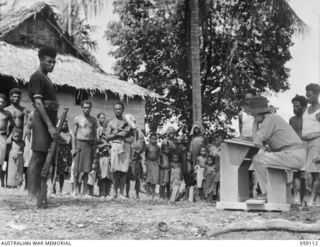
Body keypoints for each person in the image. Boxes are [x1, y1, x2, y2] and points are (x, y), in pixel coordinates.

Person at [248, 96, 305, 201]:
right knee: (267, 160)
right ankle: (285, 198)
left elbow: (256, 143)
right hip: (293, 154)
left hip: (293, 154)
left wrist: (255, 123)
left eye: (253, 115)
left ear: (257, 113)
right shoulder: (272, 119)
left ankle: (268, 193)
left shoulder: (270, 119)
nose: (253, 117)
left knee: (257, 159)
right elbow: (260, 143)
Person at [27, 47, 60, 206]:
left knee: (43, 158)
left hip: (48, 121)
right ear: (41, 60)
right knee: (37, 157)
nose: (52, 64)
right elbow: (38, 103)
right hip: (41, 121)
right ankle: (31, 196)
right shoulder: (37, 77)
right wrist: (49, 126)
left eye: (54, 62)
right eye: (49, 61)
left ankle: (38, 194)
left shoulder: (46, 78)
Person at [105, 102, 134, 199]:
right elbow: (107, 137)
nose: (118, 110)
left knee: (123, 171)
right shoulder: (111, 122)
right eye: (116, 109)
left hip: (125, 146)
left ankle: (121, 193)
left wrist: (123, 137)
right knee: (114, 171)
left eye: (120, 109)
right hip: (115, 145)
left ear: (123, 110)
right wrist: (116, 135)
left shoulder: (128, 122)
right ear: (114, 110)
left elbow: (131, 139)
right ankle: (114, 192)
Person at [73, 100, 97, 197]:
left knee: (86, 170)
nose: (86, 109)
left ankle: (84, 191)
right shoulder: (77, 119)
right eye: (85, 107)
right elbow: (73, 135)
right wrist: (73, 148)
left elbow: (95, 136)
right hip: (79, 144)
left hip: (89, 146)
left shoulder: (93, 120)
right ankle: (75, 191)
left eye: (88, 107)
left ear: (90, 108)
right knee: (76, 170)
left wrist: (95, 150)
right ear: (82, 108)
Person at [301, 83, 320, 206]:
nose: (307, 98)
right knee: (304, 171)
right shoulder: (305, 110)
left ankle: (313, 200)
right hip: (304, 143)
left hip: (316, 143)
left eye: (310, 96)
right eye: (306, 95)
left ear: (317, 94)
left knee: (315, 172)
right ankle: (306, 199)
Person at [289, 95, 308, 205]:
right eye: (293, 106)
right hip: (295, 150)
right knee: (295, 176)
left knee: (305, 177)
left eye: (296, 106)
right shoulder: (292, 120)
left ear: (304, 106)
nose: (294, 108)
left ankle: (304, 200)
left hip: (307, 150)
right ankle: (296, 200)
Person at [126, 115, 145, 199]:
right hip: (127, 154)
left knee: (137, 177)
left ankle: (137, 194)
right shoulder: (127, 129)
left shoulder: (138, 130)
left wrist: (137, 152)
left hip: (135, 156)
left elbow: (141, 142)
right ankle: (126, 194)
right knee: (127, 177)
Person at [52, 120, 72, 194]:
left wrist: (59, 139)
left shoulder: (68, 134)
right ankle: (53, 188)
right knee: (54, 171)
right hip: (56, 154)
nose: (64, 125)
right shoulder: (57, 133)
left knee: (62, 173)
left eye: (65, 124)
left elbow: (67, 142)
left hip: (64, 155)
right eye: (62, 124)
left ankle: (61, 188)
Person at [0, 94, 16, 187]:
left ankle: (1, 182)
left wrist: (10, 136)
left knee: (1, 160)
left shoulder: (7, 113)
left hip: (2, 137)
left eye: (2, 102)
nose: (0, 103)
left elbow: (13, 126)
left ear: (5, 103)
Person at [96, 112, 112, 199]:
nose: (103, 120)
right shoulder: (97, 130)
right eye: (101, 118)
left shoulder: (108, 130)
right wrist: (105, 145)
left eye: (104, 118)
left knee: (109, 175)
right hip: (101, 154)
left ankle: (108, 192)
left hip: (108, 155)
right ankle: (102, 193)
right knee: (101, 174)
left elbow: (110, 141)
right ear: (98, 119)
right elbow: (97, 143)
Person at [160, 126, 177, 199]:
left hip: (173, 159)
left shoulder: (175, 141)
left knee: (170, 180)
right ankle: (162, 195)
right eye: (171, 133)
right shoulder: (165, 141)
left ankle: (169, 196)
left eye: (173, 133)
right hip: (165, 160)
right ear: (168, 133)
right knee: (164, 180)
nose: (172, 135)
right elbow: (162, 150)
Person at [145, 133, 161, 198]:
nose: (154, 140)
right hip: (149, 162)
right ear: (150, 139)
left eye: (155, 139)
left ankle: (153, 193)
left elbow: (159, 155)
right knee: (148, 178)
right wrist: (145, 162)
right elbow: (145, 154)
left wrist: (159, 162)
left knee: (155, 179)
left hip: (155, 163)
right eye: (152, 139)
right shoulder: (147, 146)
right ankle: (148, 192)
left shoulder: (158, 147)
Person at [23, 110, 34, 190]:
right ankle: (26, 184)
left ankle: (32, 184)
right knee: (27, 166)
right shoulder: (28, 126)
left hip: (35, 145)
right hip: (29, 146)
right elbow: (27, 133)